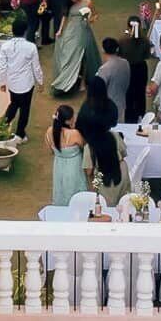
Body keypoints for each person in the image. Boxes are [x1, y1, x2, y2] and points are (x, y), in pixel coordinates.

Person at [78, 76, 127, 206]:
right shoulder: (111, 107)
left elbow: (79, 127)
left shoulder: (86, 108)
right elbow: (123, 153)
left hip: (101, 174)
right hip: (119, 175)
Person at [0, 12, 44, 141]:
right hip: (27, 83)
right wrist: (40, 81)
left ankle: (2, 127)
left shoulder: (5, 47)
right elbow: (36, 67)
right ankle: (20, 133)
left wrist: (2, 82)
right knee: (24, 108)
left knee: (14, 103)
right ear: (25, 31)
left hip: (12, 82)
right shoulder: (31, 47)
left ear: (12, 31)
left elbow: (1, 67)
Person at [51, 0, 98, 95]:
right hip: (70, 30)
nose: (73, 0)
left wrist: (90, 19)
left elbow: (95, 15)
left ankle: (82, 82)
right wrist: (60, 30)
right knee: (68, 54)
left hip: (83, 30)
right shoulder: (69, 3)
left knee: (82, 55)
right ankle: (64, 79)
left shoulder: (88, 2)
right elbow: (65, 17)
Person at [46, 104, 86, 206]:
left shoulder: (50, 131)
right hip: (74, 166)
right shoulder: (74, 134)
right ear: (68, 121)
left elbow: (50, 149)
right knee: (75, 188)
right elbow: (83, 146)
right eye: (73, 117)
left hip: (59, 165)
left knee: (60, 188)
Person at [118, 28, 151, 124]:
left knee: (129, 95)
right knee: (140, 94)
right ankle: (141, 115)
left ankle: (130, 118)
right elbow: (147, 55)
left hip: (128, 68)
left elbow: (120, 54)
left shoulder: (123, 40)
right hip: (141, 69)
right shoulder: (145, 41)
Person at [96, 38, 131, 120]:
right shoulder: (125, 63)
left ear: (103, 50)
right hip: (122, 104)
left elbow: (99, 91)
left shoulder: (104, 69)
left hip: (107, 107)